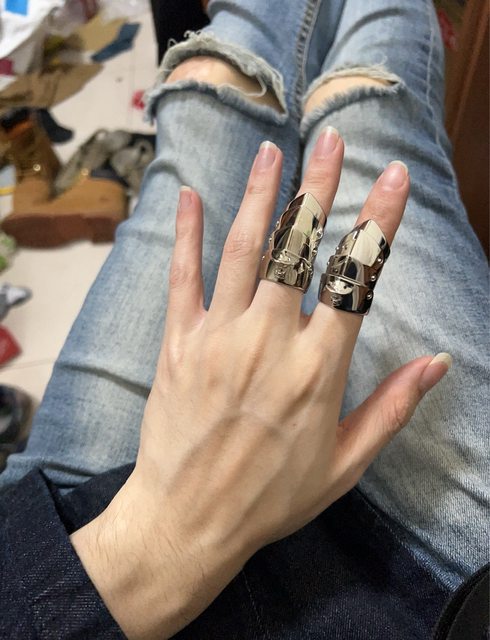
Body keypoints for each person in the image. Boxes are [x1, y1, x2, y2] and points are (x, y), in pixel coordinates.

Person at [1, 0, 488, 638]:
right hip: (436, 587)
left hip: (67, 526)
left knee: (210, 87)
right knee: (372, 110)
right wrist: (168, 540)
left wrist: (147, 539)